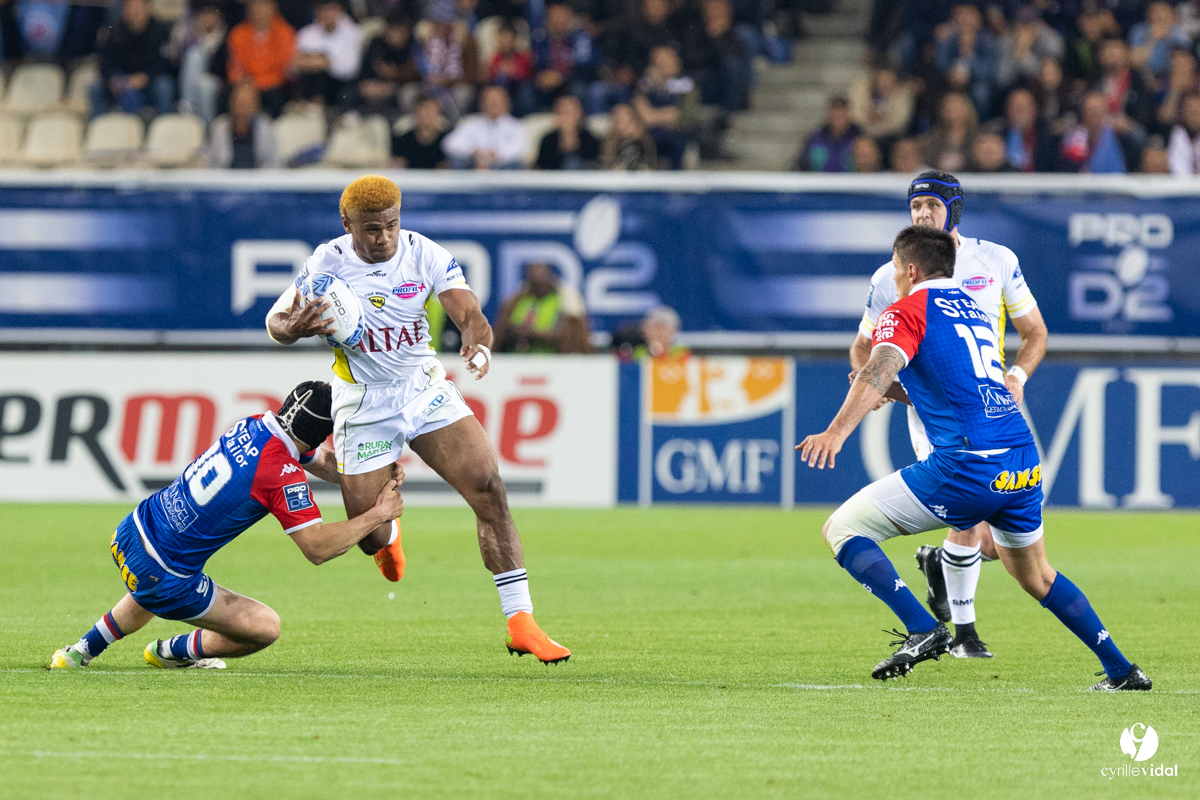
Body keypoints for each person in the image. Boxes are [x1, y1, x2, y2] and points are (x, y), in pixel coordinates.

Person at [798, 226, 1151, 691]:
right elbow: (948, 390)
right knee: (1039, 577)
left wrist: (836, 431)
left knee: (843, 529)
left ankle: (923, 628)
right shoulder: (972, 309)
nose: (894, 279)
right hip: (1021, 458)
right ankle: (1122, 671)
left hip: (969, 463)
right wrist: (893, 391)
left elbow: (876, 369)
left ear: (910, 270)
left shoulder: (905, 310)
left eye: (897, 269)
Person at [265, 176, 570, 664]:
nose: (384, 236)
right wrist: (294, 328)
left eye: (391, 224)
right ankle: (386, 537)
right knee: (370, 534)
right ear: (347, 225)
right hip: (363, 403)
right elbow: (276, 321)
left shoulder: (423, 252)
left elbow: (470, 313)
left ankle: (522, 622)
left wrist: (477, 342)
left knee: (488, 486)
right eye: (372, 229)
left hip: (422, 388)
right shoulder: (327, 263)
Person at [49, 382, 404, 670]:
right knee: (265, 627)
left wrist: (372, 474)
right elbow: (318, 547)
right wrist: (378, 513)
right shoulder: (281, 473)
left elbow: (324, 462)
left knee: (151, 580)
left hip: (132, 530)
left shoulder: (255, 424)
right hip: (165, 575)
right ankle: (172, 652)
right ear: (321, 433)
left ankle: (78, 652)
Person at [850, 171, 1049, 659]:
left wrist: (1017, 377)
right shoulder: (891, 275)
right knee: (973, 523)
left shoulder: (995, 261)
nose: (922, 214)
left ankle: (941, 568)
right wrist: (877, 384)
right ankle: (964, 635)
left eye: (932, 207)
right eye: (915, 207)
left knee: (992, 546)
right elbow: (864, 346)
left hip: (993, 411)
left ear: (953, 211)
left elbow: (1035, 332)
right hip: (937, 418)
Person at [94, 0, 175, 117]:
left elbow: (166, 64)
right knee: (95, 87)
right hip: (122, 79)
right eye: (131, 6)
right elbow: (104, 63)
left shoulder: (160, 30)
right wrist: (111, 79)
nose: (135, 11)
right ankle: (99, 124)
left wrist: (145, 78)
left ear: (147, 8)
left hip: (149, 80)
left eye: (139, 7)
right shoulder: (114, 30)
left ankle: (165, 123)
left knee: (164, 85)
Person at [494, 262, 591, 353]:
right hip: (515, 359)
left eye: (541, 271)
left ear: (550, 275)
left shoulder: (564, 300)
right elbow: (501, 333)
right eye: (532, 273)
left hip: (553, 360)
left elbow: (571, 336)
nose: (536, 276)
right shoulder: (517, 300)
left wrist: (533, 334)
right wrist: (514, 332)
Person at [632, 44, 699, 170]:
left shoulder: (687, 85)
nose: (662, 65)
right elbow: (643, 115)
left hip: (677, 134)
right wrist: (658, 87)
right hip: (650, 134)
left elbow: (683, 116)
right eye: (658, 62)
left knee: (678, 140)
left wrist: (654, 115)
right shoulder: (646, 84)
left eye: (666, 61)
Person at [227, 0, 296, 117]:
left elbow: (284, 68)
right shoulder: (237, 34)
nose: (260, 10)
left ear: (273, 8)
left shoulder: (285, 33)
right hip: (247, 84)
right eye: (256, 5)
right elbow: (235, 68)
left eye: (264, 5)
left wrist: (258, 83)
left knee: (274, 95)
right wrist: (246, 85)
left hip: (273, 85)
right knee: (236, 96)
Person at [293, 0, 362, 107]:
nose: (327, 14)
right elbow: (295, 64)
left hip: (340, 85)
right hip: (311, 84)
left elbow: (350, 68)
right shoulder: (306, 34)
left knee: (323, 77)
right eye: (323, 10)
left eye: (331, 9)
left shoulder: (352, 33)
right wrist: (322, 61)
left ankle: (317, 107)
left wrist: (320, 61)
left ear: (339, 10)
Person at [443, 85, 528, 169]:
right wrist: (476, 152)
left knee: (516, 162)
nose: (493, 104)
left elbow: (521, 149)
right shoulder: (469, 122)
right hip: (472, 166)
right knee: (457, 160)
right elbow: (450, 144)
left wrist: (494, 155)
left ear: (507, 103)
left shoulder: (517, 125)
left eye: (497, 101)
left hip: (503, 167)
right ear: (481, 103)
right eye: (490, 101)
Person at [358, 10, 421, 115]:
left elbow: (414, 73)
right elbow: (380, 70)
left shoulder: (413, 45)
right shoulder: (377, 43)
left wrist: (396, 78)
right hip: (375, 86)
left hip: (401, 89)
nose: (396, 35)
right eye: (393, 30)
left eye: (400, 31)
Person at [1057, 90, 1136, 173]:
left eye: (1098, 110)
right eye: (1090, 110)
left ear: (1105, 112)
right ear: (1083, 113)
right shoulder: (1072, 140)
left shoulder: (1120, 137)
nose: (1094, 115)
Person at [209, 81, 278, 168]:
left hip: (259, 175)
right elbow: (214, 163)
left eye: (248, 102)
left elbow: (273, 163)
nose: (244, 106)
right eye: (240, 102)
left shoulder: (266, 126)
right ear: (231, 102)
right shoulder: (219, 126)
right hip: (225, 175)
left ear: (257, 105)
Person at [991, 86, 1057, 172]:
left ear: (1034, 109)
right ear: (1007, 109)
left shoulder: (1050, 136)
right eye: (1016, 107)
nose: (1021, 111)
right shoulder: (996, 134)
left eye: (1025, 107)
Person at [847, 63, 914, 140]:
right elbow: (855, 115)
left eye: (888, 77)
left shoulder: (903, 93)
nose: (884, 82)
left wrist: (881, 118)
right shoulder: (860, 88)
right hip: (863, 134)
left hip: (893, 136)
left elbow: (900, 122)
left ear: (895, 79)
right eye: (882, 77)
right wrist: (868, 117)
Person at [536, 93, 600, 169]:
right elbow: (544, 165)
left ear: (580, 114)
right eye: (562, 112)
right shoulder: (548, 140)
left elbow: (591, 161)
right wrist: (564, 137)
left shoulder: (590, 138)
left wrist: (570, 136)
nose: (566, 118)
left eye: (569, 113)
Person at [795, 96, 859, 172]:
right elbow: (802, 164)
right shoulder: (815, 140)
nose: (838, 120)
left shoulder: (859, 138)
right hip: (819, 179)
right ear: (828, 115)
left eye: (841, 116)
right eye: (835, 116)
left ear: (849, 115)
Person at [392, 94, 448, 169]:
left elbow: (446, 169)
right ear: (415, 111)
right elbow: (398, 167)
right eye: (424, 109)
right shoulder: (404, 140)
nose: (428, 113)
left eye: (432, 109)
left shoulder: (446, 140)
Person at [601, 102, 658, 170]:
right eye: (619, 122)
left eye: (628, 122)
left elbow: (651, 164)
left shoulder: (645, 144)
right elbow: (607, 165)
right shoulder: (608, 144)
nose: (623, 127)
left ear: (637, 123)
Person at [1168, 93, 1200, 175]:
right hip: (1179, 181)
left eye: (1197, 112)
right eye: (1191, 112)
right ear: (1184, 112)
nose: (1194, 117)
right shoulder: (1175, 133)